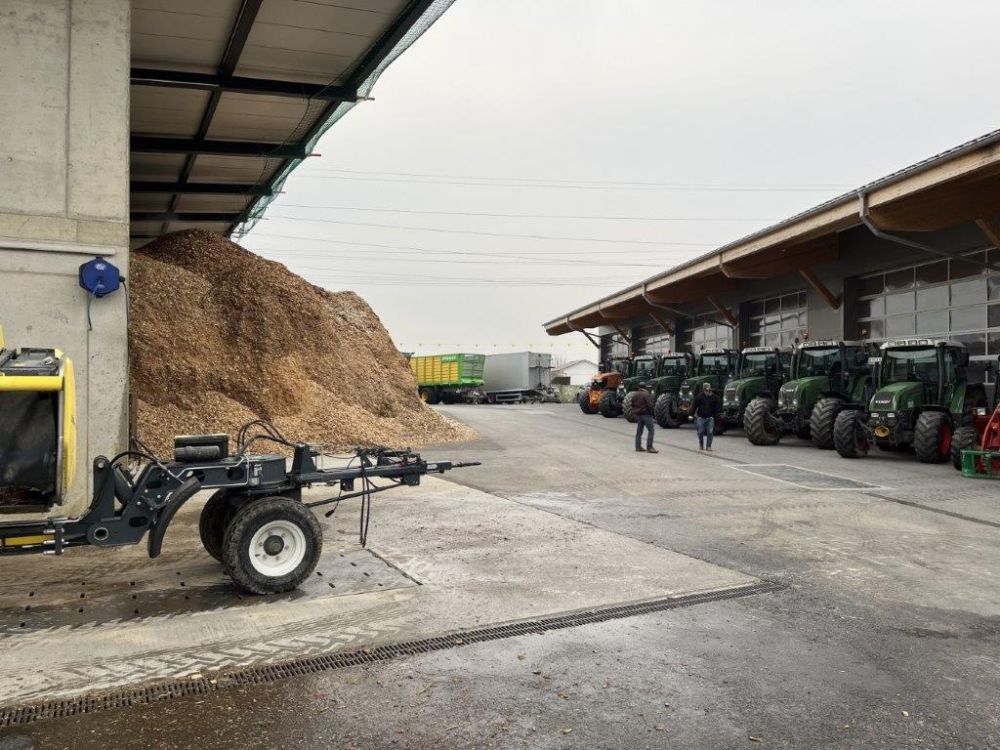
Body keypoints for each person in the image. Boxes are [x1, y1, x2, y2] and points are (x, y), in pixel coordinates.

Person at [692, 381, 721, 451]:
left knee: (710, 432)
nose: (707, 390)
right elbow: (694, 406)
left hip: (710, 418)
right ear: (704, 389)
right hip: (701, 418)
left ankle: (708, 446)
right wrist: (691, 414)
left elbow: (717, 406)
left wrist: (716, 415)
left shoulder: (714, 397)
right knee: (700, 432)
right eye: (706, 388)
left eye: (708, 388)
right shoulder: (699, 396)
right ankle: (701, 445)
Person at [632, 383, 658, 453]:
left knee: (639, 432)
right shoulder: (646, 394)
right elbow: (650, 405)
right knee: (651, 430)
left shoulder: (635, 394)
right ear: (645, 387)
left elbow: (632, 404)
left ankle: (638, 447)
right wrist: (652, 413)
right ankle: (650, 447)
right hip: (646, 415)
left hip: (638, 415)